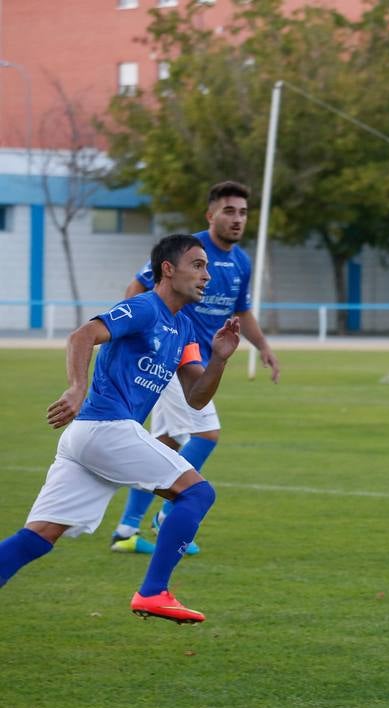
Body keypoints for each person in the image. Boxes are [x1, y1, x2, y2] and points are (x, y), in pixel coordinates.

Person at [0, 234, 241, 623]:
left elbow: (196, 397)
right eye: (197, 265)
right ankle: (153, 592)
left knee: (40, 535)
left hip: (87, 439)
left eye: (207, 268)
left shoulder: (184, 331)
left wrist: (220, 361)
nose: (207, 276)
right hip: (106, 428)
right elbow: (83, 335)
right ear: (168, 269)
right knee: (197, 493)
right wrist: (77, 388)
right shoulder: (145, 307)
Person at [109, 181, 279, 556]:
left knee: (166, 442)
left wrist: (263, 346)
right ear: (211, 215)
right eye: (229, 210)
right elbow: (136, 287)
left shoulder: (241, 262)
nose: (237, 219)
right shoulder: (188, 250)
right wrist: (148, 335)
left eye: (243, 212)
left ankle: (126, 529)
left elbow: (242, 311)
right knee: (206, 433)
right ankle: (169, 514)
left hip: (196, 363)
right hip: (174, 357)